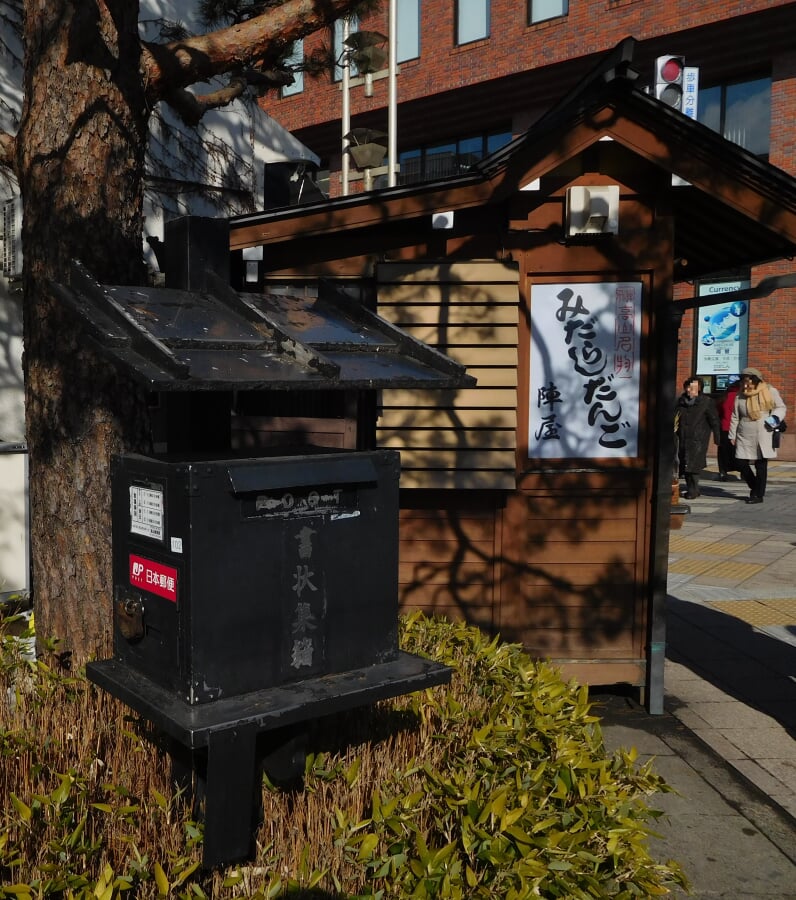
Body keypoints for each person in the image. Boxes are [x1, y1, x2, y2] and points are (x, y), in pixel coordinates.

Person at [729, 367, 787, 504]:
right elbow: (735, 416)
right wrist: (732, 435)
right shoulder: (740, 395)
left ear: (756, 380)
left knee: (761, 464)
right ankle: (754, 486)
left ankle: (758, 494)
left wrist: (774, 419)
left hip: (764, 431)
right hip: (744, 432)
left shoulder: (769, 391)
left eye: (748, 379)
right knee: (741, 462)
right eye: (743, 380)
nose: (745, 383)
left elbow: (781, 407)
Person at [676, 376, 720, 499]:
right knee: (685, 463)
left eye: (694, 387)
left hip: (699, 438)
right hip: (683, 437)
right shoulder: (681, 402)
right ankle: (693, 488)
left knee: (693, 465)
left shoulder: (706, 402)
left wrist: (717, 438)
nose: (690, 389)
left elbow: (714, 420)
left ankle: (693, 490)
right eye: (688, 386)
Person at [716, 375, 741, 480]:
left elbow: (718, 412)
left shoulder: (724, 396)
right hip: (739, 429)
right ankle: (743, 471)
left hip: (724, 427)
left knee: (723, 451)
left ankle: (723, 471)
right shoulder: (741, 397)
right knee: (740, 451)